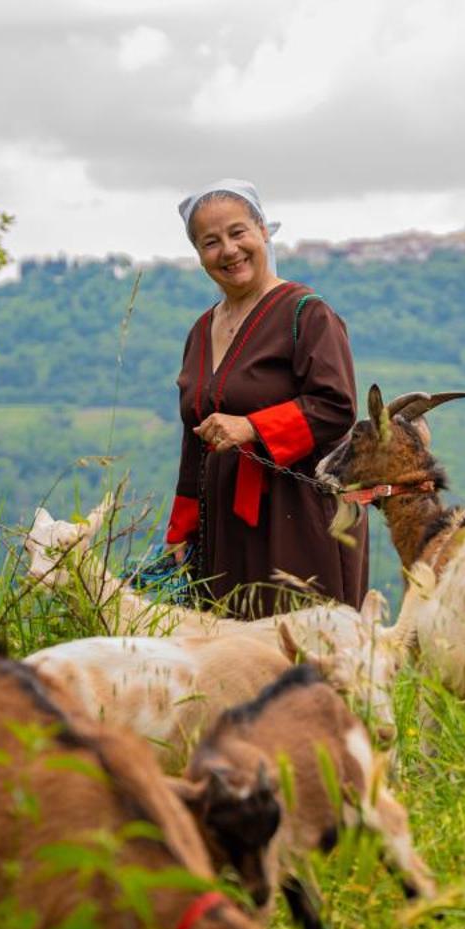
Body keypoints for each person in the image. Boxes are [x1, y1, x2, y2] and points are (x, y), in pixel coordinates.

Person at [164, 178, 368, 617]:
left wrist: (252, 426)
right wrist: (180, 527)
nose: (229, 250)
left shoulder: (306, 313)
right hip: (221, 524)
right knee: (228, 659)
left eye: (238, 233)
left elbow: (336, 406)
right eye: (211, 242)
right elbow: (193, 435)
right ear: (199, 255)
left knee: (300, 653)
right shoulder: (201, 331)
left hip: (298, 518)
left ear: (263, 231)